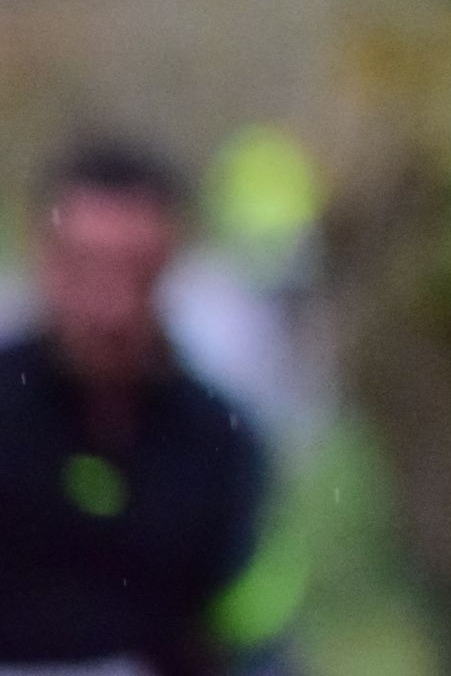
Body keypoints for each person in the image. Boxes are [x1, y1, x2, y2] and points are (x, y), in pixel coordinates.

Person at [0, 139, 295, 676]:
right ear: (43, 257)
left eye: (134, 272)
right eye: (86, 267)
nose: (110, 308)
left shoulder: (219, 442)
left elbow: (251, 630)